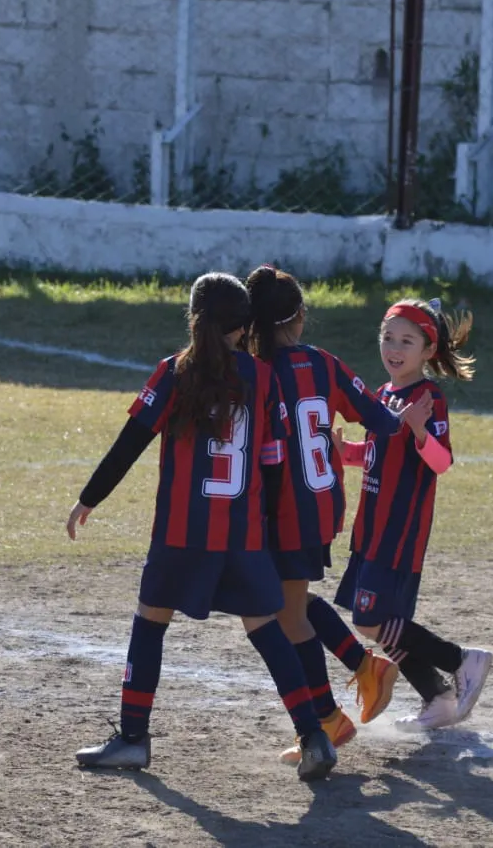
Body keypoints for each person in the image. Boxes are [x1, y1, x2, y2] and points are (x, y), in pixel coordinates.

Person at [66, 272, 337, 781]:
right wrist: (268, 530)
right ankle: (314, 736)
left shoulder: (175, 372)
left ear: (195, 319)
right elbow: (275, 461)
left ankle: (132, 739)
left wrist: (89, 499)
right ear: (244, 326)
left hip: (181, 533)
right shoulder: (261, 376)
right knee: (265, 629)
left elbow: (131, 441)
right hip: (243, 533)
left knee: (150, 623)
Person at [243, 265, 432, 762]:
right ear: (301, 316)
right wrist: (404, 420)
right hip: (321, 503)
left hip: (282, 509)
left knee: (283, 616)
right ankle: (365, 669)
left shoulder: (255, 369)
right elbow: (378, 419)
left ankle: (329, 719)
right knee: (292, 603)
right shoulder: (324, 363)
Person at [331, 298, 493, 731]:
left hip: (398, 530)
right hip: (371, 527)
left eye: (407, 340)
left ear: (427, 350)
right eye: (388, 337)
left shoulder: (427, 398)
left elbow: (440, 462)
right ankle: (438, 698)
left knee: (370, 620)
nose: (394, 347)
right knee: (379, 623)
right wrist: (343, 451)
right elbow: (381, 452)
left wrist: (420, 429)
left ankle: (461, 660)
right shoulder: (382, 395)